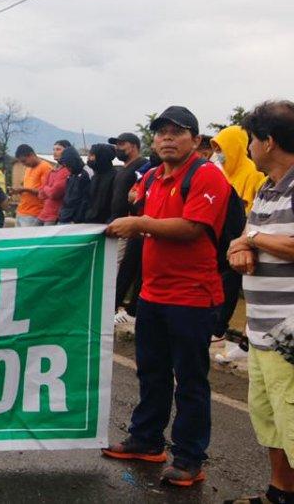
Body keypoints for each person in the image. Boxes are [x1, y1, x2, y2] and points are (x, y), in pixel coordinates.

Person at [102, 106, 232, 487]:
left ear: (195, 139)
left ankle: (190, 457)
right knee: (151, 371)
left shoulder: (206, 175)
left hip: (192, 296)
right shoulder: (152, 177)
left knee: (190, 380)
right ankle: (146, 440)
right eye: (161, 132)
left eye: (178, 132)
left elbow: (192, 228)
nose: (167, 138)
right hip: (153, 293)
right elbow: (141, 224)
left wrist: (139, 223)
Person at [224, 100, 294, 504]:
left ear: (268, 141)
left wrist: (253, 241)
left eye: (251, 138)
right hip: (263, 331)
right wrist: (241, 249)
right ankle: (279, 493)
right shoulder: (267, 188)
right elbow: (245, 240)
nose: (248, 146)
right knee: (270, 421)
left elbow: (261, 239)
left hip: (290, 334)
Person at [213, 124, 270, 362]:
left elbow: (257, 212)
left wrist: (247, 239)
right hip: (228, 240)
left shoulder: (254, 174)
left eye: (221, 148)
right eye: (215, 148)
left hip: (247, 242)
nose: (218, 153)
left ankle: (239, 341)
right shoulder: (221, 172)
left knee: (241, 289)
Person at [109, 132, 149, 325]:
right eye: (116, 145)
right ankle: (111, 305)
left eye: (121, 145)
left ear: (133, 146)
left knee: (120, 267)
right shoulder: (121, 169)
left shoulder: (142, 167)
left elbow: (140, 195)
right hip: (116, 223)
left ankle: (117, 308)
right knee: (116, 267)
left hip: (131, 224)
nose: (118, 148)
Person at [12, 144, 52, 227]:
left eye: (24, 161)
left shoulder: (45, 167)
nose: (23, 164)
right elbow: (29, 187)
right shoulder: (28, 168)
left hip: (34, 214)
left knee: (28, 239)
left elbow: (44, 192)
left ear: (31, 155)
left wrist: (24, 189)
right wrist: (18, 191)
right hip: (21, 211)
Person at [83, 143, 119, 224]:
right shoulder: (94, 177)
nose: (88, 158)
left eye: (92, 155)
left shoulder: (115, 177)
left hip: (107, 225)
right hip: (91, 223)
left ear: (101, 157)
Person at [38, 140, 72, 225]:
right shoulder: (52, 170)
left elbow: (54, 193)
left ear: (67, 151)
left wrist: (46, 188)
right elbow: (41, 194)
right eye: (54, 149)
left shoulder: (67, 171)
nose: (54, 152)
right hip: (43, 214)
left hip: (54, 215)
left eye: (58, 149)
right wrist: (47, 189)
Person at [57, 145, 90, 224]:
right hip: (64, 217)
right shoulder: (70, 176)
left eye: (68, 165)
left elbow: (85, 200)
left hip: (74, 220)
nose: (68, 168)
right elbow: (67, 197)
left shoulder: (85, 174)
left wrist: (76, 219)